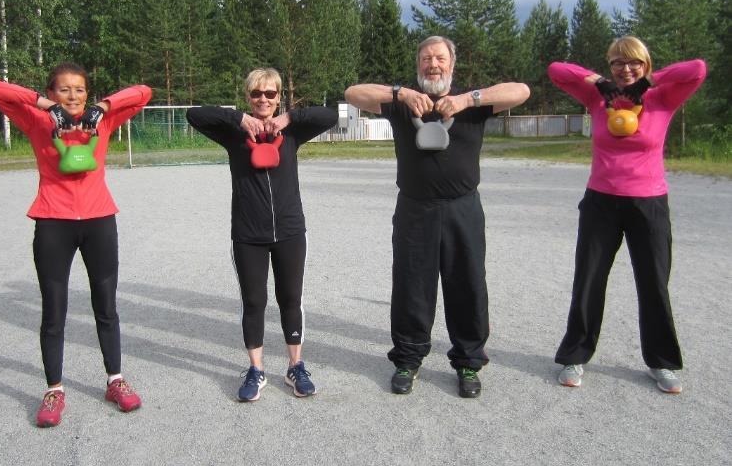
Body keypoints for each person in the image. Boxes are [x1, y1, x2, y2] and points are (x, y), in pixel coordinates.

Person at [344, 36, 530, 398]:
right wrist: (400, 93)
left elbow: (521, 91)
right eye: (426, 58)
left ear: (452, 64)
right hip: (415, 208)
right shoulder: (404, 104)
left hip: (463, 207)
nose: (433, 64)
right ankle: (408, 359)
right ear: (418, 66)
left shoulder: (471, 103)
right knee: (412, 285)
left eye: (440, 58)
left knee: (469, 285)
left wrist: (466, 99)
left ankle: (468, 361)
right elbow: (353, 93)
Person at [0, 64, 152, 427]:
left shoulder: (100, 122)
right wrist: (45, 105)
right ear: (52, 91)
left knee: (105, 306)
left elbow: (143, 92)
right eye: (64, 90)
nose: (73, 96)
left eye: (79, 90)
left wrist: (104, 107)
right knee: (54, 312)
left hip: (99, 222)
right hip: (53, 221)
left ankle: (115, 381)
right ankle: (54, 390)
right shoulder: (38, 121)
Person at [549, 36, 706, 394]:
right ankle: (575, 355)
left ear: (645, 64)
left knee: (654, 283)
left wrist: (652, 81)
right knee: (589, 279)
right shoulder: (598, 97)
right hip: (601, 202)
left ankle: (662, 363)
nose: (625, 69)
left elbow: (697, 69)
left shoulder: (662, 97)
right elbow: (557, 71)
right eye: (618, 62)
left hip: (648, 204)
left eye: (634, 62)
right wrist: (596, 81)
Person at [186, 68, 337, 402]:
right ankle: (256, 370)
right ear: (248, 97)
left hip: (290, 231)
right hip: (248, 234)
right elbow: (194, 114)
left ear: (279, 97)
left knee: (290, 299)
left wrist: (288, 119)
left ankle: (295, 367)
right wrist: (240, 119)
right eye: (257, 94)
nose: (264, 100)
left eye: (270, 94)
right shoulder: (233, 133)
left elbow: (330, 115)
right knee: (254, 302)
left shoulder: (293, 130)